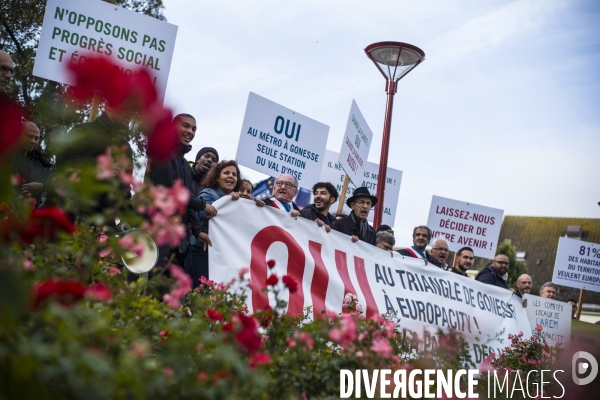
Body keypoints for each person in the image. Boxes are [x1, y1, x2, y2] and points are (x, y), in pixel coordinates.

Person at [146, 114, 217, 267]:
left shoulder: (185, 163)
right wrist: (203, 205)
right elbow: (172, 189)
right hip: (156, 230)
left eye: (193, 129)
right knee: (151, 282)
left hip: (177, 241)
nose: (190, 131)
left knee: (168, 287)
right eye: (185, 125)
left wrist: (197, 232)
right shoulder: (162, 151)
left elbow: (186, 203)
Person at [185, 160, 241, 287]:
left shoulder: (238, 201)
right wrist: (228, 200)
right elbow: (206, 215)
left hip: (219, 257)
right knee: (201, 298)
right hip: (200, 253)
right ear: (217, 178)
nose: (231, 176)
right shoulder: (208, 193)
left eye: (234, 174)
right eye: (226, 173)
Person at [10, 121, 52, 205]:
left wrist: (42, 187)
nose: (33, 141)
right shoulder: (7, 156)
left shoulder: (43, 164)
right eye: (29, 136)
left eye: (36, 138)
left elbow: (56, 187)